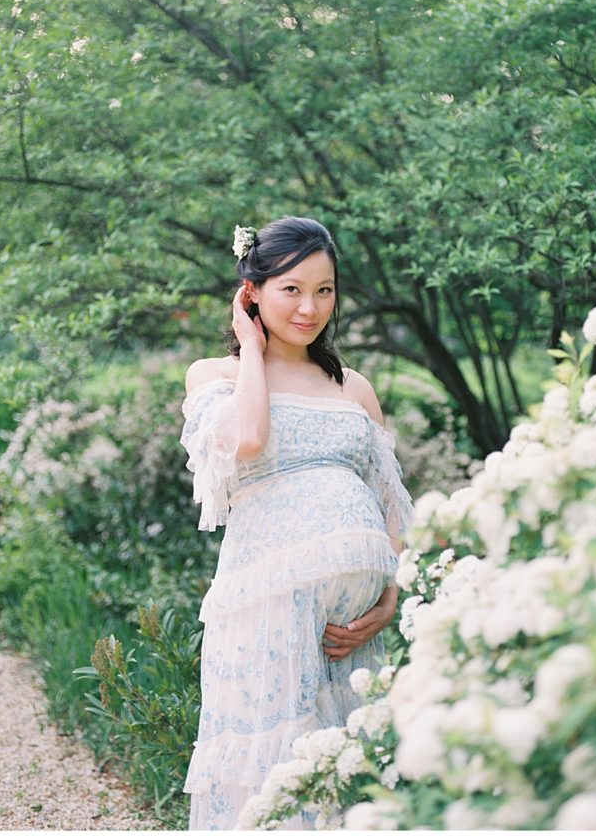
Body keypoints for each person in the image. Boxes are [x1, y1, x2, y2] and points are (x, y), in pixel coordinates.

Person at [180, 215, 414, 830]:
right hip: (268, 605)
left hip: (354, 625)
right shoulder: (217, 376)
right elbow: (249, 439)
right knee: (278, 773)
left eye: (325, 290)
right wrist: (251, 349)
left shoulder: (354, 387)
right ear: (251, 291)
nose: (310, 308)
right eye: (291, 289)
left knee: (350, 771)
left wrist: (387, 602)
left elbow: (391, 511)